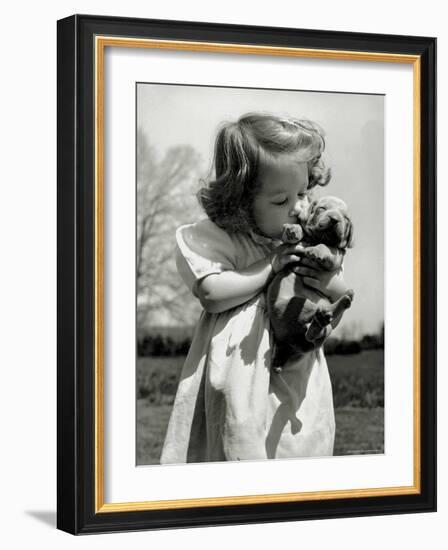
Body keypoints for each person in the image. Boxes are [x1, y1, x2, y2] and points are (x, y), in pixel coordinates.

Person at [160, 113, 346, 464]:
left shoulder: (306, 238)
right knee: (238, 442)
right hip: (240, 374)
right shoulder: (225, 240)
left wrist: (325, 279)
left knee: (296, 449)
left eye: (303, 192)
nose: (297, 208)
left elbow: (340, 290)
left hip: (296, 370)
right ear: (241, 201)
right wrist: (271, 265)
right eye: (280, 201)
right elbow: (212, 294)